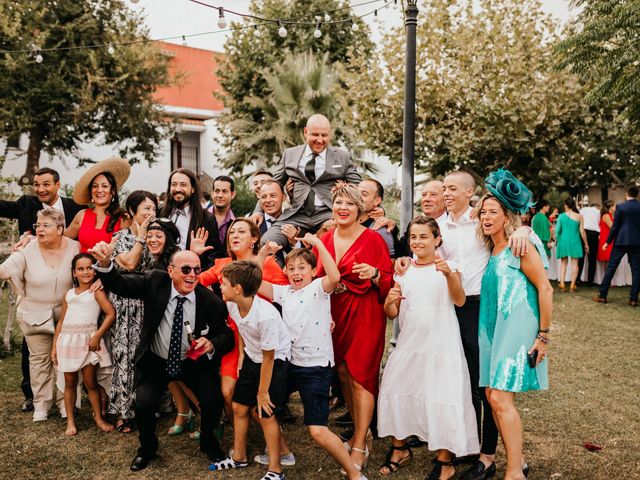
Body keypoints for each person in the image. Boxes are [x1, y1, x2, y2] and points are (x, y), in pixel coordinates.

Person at [90, 248, 234, 471]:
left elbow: (227, 336)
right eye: (186, 269)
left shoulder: (210, 300)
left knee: (212, 401)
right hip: (156, 361)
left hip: (192, 363)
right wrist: (105, 263)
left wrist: (212, 343)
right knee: (144, 404)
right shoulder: (155, 282)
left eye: (197, 269)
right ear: (170, 270)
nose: (192, 275)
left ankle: (208, 443)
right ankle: (147, 450)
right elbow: (119, 284)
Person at [256, 239, 367, 480]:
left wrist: (317, 242)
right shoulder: (284, 292)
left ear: (314, 271)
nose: (296, 273)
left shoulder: (318, 288)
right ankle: (280, 458)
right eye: (292, 268)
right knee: (263, 408)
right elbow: (252, 282)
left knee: (317, 431)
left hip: (315, 368)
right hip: (288, 365)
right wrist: (263, 253)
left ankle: (354, 473)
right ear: (285, 272)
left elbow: (335, 276)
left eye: (302, 268)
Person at [378, 215, 479, 479]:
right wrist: (390, 300)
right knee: (395, 387)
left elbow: (458, 301)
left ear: (437, 240)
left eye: (424, 236)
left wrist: (449, 275)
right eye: (413, 236)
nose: (418, 241)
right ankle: (399, 448)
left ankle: (445, 460)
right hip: (410, 342)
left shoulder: (449, 266)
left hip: (441, 342)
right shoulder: (404, 270)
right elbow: (392, 313)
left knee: (441, 396)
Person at [476, 170, 552, 480]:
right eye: (483, 212)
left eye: (493, 212)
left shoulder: (521, 245)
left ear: (507, 216)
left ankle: (513, 473)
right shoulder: (491, 249)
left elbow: (545, 289)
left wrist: (543, 337)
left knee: (500, 398)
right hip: (493, 327)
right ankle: (517, 461)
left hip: (519, 325)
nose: (485, 217)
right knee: (493, 395)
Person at [315, 184, 393, 471]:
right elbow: (318, 278)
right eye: (338, 202)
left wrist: (374, 274)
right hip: (335, 313)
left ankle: (360, 443)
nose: (342, 207)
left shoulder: (373, 239)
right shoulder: (325, 238)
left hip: (366, 313)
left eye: (349, 203)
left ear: (360, 210)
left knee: (363, 376)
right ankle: (365, 431)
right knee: (344, 373)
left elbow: (388, 280)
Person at [0, 167, 83, 412]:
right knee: (33, 347)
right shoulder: (26, 203)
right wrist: (30, 237)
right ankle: (33, 395)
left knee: (70, 344)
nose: (40, 189)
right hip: (36, 279)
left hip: (67, 279)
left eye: (46, 184)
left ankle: (69, 396)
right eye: (36, 184)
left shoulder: (74, 207)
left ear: (58, 184)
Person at [196, 218, 289, 438]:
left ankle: (270, 435)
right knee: (227, 392)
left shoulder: (268, 264)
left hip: (262, 336)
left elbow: (289, 295)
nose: (234, 236)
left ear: (254, 238)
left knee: (261, 395)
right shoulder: (221, 265)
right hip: (233, 335)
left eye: (241, 232)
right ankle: (243, 437)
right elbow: (193, 281)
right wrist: (196, 255)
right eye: (231, 232)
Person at [210, 261, 291, 480]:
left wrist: (263, 392)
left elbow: (269, 357)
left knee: (264, 413)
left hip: (275, 363)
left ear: (237, 289)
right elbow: (241, 330)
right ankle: (239, 457)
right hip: (253, 359)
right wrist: (243, 355)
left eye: (223, 284)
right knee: (238, 406)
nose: (220, 287)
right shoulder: (232, 304)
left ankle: (276, 470)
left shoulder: (266, 316)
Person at [261, 114, 361, 249]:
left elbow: (359, 187)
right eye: (315, 135)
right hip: (296, 215)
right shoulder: (290, 154)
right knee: (267, 244)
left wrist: (346, 189)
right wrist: (257, 212)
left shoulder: (342, 157)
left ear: (330, 134)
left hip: (328, 214)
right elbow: (272, 185)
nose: (320, 140)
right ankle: (280, 269)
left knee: (331, 242)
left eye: (324, 135)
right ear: (305, 132)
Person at [108, 190, 157, 433]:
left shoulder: (156, 237)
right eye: (146, 209)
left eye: (153, 209)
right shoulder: (119, 237)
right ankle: (123, 413)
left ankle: (150, 407)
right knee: (125, 355)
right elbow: (128, 263)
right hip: (126, 303)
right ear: (132, 212)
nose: (150, 214)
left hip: (149, 302)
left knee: (148, 355)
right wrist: (140, 238)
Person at [51, 253, 115, 435]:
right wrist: (54, 346)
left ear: (95, 271)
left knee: (90, 382)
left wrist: (97, 336)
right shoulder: (69, 294)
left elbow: (111, 314)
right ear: (74, 273)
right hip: (68, 343)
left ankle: (99, 418)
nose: (85, 272)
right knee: (70, 382)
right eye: (81, 269)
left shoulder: (96, 292)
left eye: (89, 268)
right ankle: (70, 421)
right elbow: (61, 321)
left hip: (88, 342)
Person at [159, 168, 223, 268]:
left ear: (192, 189)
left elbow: (214, 255)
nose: (178, 189)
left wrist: (198, 275)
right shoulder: (161, 213)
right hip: (163, 275)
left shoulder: (206, 218)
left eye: (183, 185)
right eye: (174, 184)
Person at [65, 157, 131, 251]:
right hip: (82, 265)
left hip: (109, 265)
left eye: (104, 186)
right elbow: (63, 239)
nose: (99, 190)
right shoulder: (81, 215)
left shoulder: (123, 217)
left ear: (112, 191)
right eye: (95, 186)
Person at [594, 185, 640, 307]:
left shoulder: (621, 206)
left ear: (627, 194)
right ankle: (633, 299)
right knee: (636, 270)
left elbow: (615, 227)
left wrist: (607, 242)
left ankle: (603, 295)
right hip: (636, 242)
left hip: (621, 241)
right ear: (637, 195)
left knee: (611, 267)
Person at [396, 180, 446, 258]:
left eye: (433, 195)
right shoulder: (414, 224)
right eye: (424, 195)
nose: (427, 199)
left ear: (445, 200)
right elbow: (399, 251)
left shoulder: (453, 224)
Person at [555, 197, 588, 292]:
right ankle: (572, 286)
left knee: (563, 263)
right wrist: (586, 243)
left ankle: (562, 283)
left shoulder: (561, 216)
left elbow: (557, 231)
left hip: (563, 241)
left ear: (566, 205)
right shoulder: (579, 216)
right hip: (575, 241)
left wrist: (557, 239)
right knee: (575, 264)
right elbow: (582, 231)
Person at [358, 179, 396, 257]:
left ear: (377, 201)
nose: (357, 197)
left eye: (364, 194)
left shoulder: (381, 231)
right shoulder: (344, 222)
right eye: (356, 192)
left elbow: (389, 264)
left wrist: (374, 270)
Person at [208, 175, 236, 246]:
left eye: (224, 191)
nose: (220, 195)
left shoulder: (237, 222)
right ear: (212, 193)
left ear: (232, 194)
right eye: (217, 191)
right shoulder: (200, 217)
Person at [578, 200, 601, 286]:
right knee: (592, 259)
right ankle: (590, 281)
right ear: (597, 207)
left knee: (581, 258)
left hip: (583, 232)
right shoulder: (598, 211)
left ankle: (577, 279)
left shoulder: (583, 209)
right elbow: (599, 223)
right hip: (594, 234)